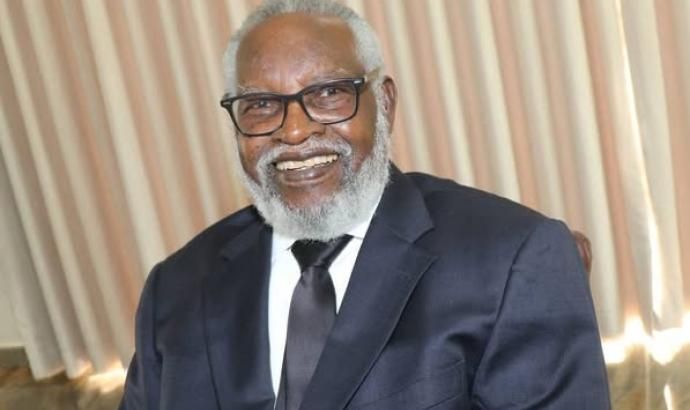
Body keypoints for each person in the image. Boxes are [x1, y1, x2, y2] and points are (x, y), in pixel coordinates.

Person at [119, 0, 611, 409]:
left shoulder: (511, 258)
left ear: (385, 104)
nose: (295, 132)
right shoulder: (176, 289)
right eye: (261, 105)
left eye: (329, 93)